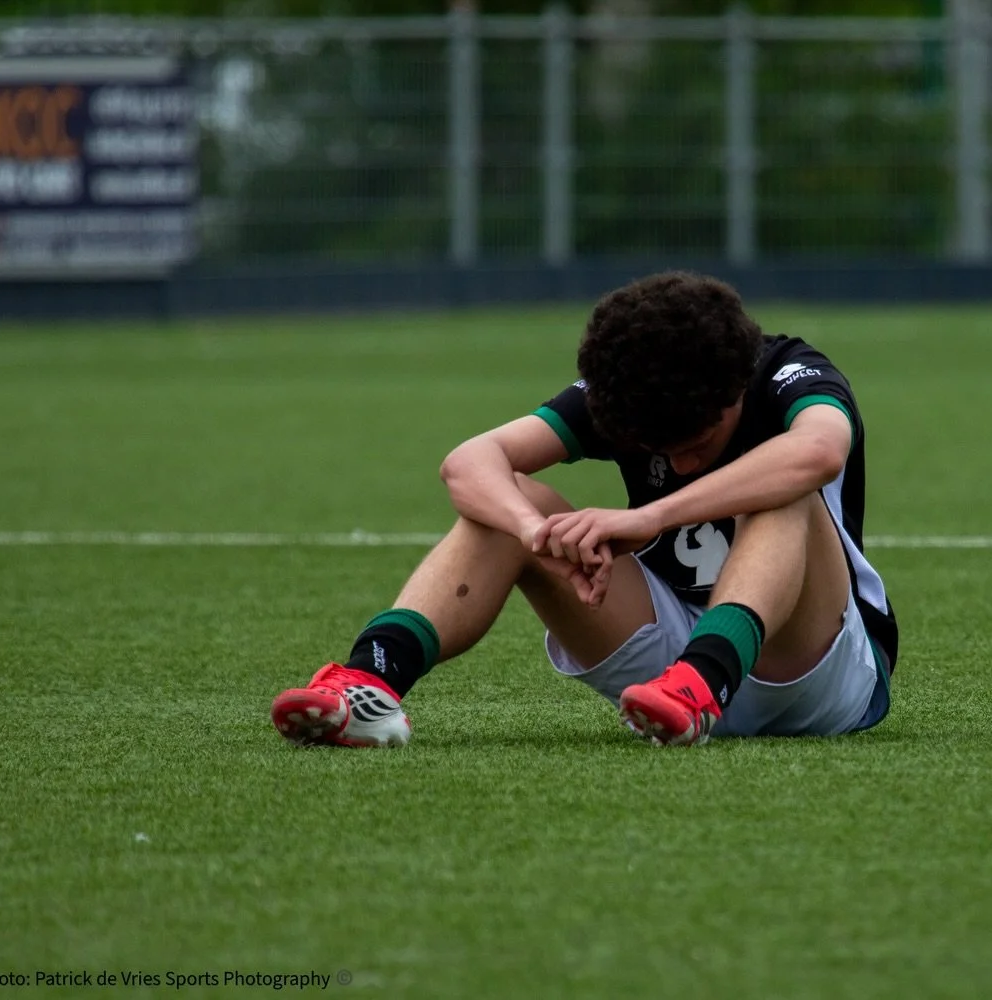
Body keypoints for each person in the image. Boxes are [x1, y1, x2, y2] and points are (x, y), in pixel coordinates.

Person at [270, 272, 896, 748]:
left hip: (812, 671)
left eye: (697, 445)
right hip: (665, 666)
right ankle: (371, 683)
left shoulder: (787, 371)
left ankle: (704, 680)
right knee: (511, 498)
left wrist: (650, 518)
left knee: (784, 489)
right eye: (661, 451)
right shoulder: (627, 386)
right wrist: (534, 534)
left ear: (737, 387)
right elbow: (469, 462)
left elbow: (819, 451)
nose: (680, 465)